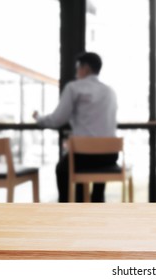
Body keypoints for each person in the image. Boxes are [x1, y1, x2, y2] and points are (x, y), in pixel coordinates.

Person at [33, 52, 118, 202]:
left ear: (85, 68)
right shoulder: (110, 91)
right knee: (95, 158)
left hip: (84, 156)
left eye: (78, 67)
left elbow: (57, 119)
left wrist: (38, 118)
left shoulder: (74, 88)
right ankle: (97, 200)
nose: (76, 72)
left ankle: (67, 209)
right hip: (110, 155)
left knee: (61, 169)